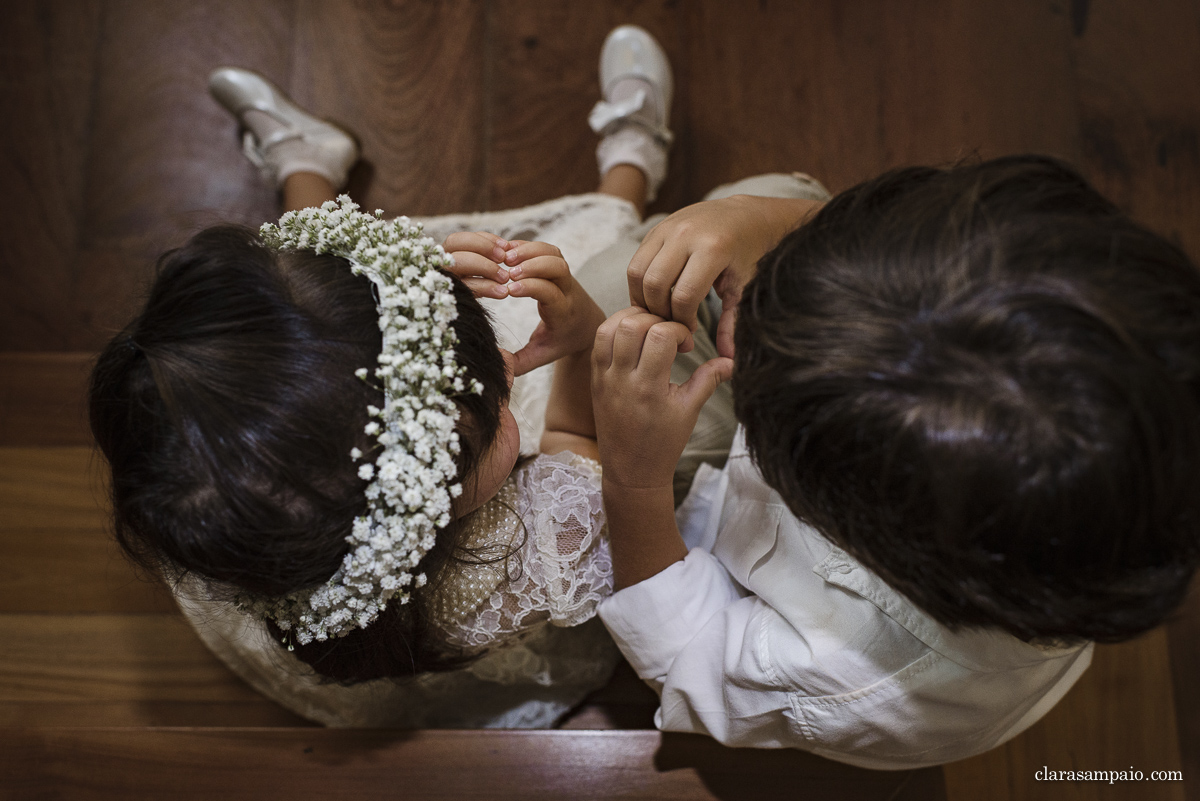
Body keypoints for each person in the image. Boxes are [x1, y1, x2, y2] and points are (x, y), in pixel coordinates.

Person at [86, 26, 738, 728]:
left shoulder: (216, 476)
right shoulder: (500, 565)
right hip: (501, 512)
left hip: (324, 385)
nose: (505, 380)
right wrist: (579, 339)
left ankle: (309, 171)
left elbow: (303, 321)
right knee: (606, 254)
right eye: (482, 420)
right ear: (419, 519)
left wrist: (418, 283)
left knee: (305, 309)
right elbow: (576, 436)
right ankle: (631, 164)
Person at [592, 155, 1200, 767]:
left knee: (603, 306)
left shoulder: (849, 677)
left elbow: (681, 651)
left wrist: (633, 477)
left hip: (683, 532)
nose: (747, 335)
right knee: (758, 202)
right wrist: (758, 221)